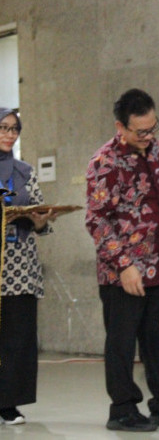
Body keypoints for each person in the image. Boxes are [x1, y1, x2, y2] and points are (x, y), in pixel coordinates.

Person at [85, 89, 159, 432]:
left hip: (158, 266)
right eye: (141, 132)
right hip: (122, 274)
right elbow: (97, 221)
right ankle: (122, 409)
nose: (148, 137)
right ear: (121, 126)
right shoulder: (104, 162)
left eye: (153, 128)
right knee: (121, 343)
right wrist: (124, 265)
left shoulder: (157, 150)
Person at [0, 108, 55, 425]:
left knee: (18, 336)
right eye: (4, 128)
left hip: (20, 266)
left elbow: (40, 217)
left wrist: (40, 220)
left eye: (15, 129)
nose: (9, 134)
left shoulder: (24, 171)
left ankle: (8, 403)